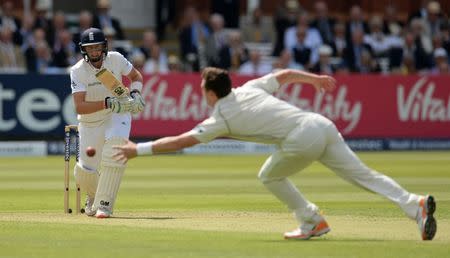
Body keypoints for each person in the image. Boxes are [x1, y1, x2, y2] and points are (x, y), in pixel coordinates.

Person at [113, 67, 436, 241]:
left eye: (202, 90)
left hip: (301, 137)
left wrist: (138, 149)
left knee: (269, 174)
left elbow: (184, 141)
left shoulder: (222, 117)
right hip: (320, 124)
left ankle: (311, 220)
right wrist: (315, 80)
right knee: (364, 176)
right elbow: (283, 75)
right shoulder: (249, 88)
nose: (201, 93)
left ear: (211, 93)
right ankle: (414, 205)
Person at [69, 27, 145, 218]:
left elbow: (136, 77)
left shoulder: (116, 59)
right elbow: (80, 107)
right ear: (83, 50)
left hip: (117, 113)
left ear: (104, 47)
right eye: (90, 48)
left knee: (115, 150)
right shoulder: (78, 71)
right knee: (84, 171)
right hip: (90, 121)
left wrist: (135, 93)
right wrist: (106, 102)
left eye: (97, 47)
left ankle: (104, 205)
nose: (94, 52)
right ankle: (93, 196)